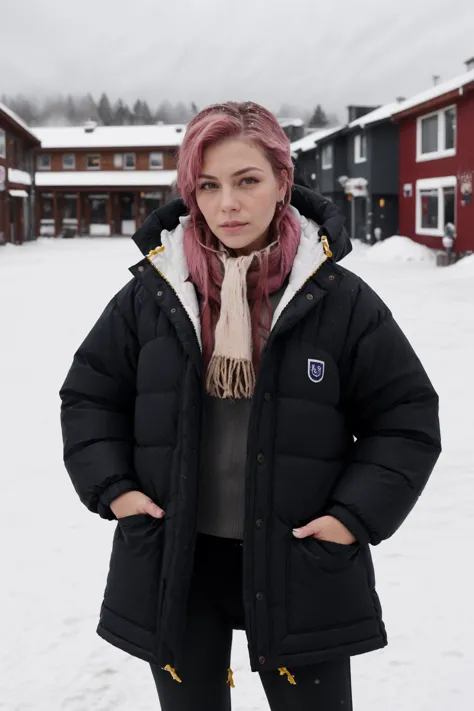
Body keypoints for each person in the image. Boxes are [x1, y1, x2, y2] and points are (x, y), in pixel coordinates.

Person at [59, 101, 441, 711]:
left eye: (247, 180)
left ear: (283, 182)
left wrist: (351, 519)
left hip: (300, 561)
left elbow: (406, 417)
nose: (227, 204)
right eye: (207, 185)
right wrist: (117, 491)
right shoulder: (154, 296)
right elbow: (90, 395)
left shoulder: (338, 300)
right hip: (178, 563)